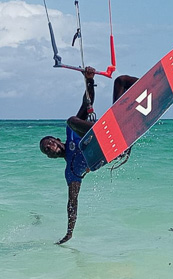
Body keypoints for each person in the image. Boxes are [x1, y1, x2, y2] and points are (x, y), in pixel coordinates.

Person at [40, 67, 138, 244]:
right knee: (72, 120)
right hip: (112, 149)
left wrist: (89, 80)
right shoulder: (71, 171)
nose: (50, 147)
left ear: (57, 139)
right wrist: (69, 232)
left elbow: (87, 104)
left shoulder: (71, 132)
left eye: (50, 143)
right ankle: (105, 131)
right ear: (50, 157)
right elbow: (72, 202)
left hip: (107, 133)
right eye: (47, 150)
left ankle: (148, 93)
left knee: (121, 81)